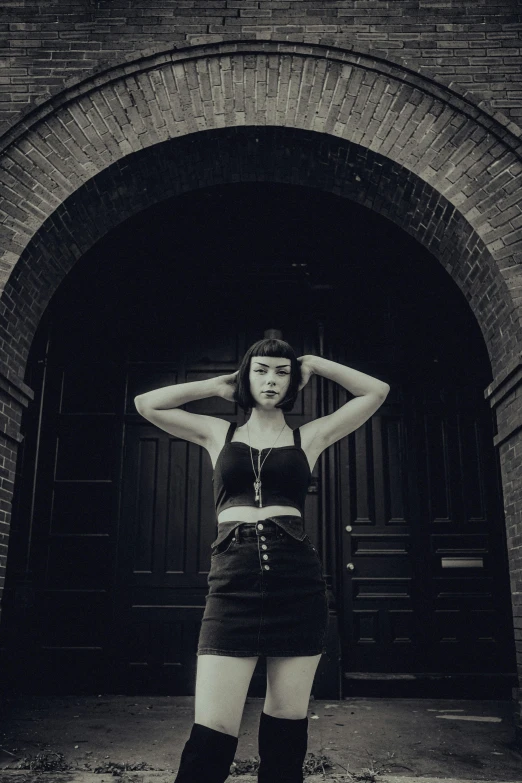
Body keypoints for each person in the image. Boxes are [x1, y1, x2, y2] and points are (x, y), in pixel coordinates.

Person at [134, 338, 390, 783]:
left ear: (293, 382)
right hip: (233, 580)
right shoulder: (219, 434)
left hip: (298, 581)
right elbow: (146, 404)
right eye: (261, 370)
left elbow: (376, 392)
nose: (271, 380)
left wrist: (315, 363)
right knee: (211, 734)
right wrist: (217, 385)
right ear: (245, 376)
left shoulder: (306, 437)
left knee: (286, 731)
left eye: (281, 372)